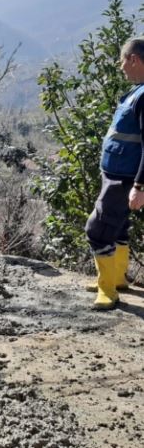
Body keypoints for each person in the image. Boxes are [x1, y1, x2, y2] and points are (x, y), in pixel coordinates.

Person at [85, 37, 144, 310]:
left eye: (123, 61)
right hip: (116, 174)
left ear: (134, 59)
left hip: (124, 178)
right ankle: (117, 279)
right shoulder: (137, 91)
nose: (121, 67)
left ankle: (107, 290)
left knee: (97, 230)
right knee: (118, 226)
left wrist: (140, 186)